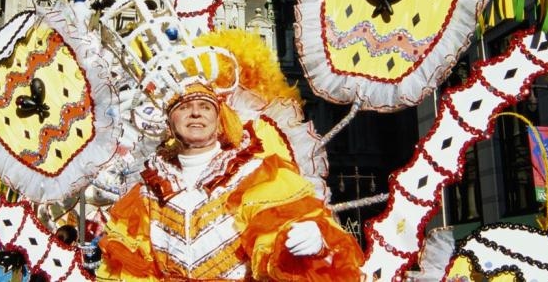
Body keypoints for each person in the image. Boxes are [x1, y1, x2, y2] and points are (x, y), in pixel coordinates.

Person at [96, 82, 364, 280]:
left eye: (204, 106)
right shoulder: (148, 191)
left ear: (220, 118)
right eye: (185, 107)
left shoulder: (254, 174)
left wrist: (315, 244)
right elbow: (133, 268)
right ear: (170, 121)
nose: (196, 114)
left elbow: (285, 236)